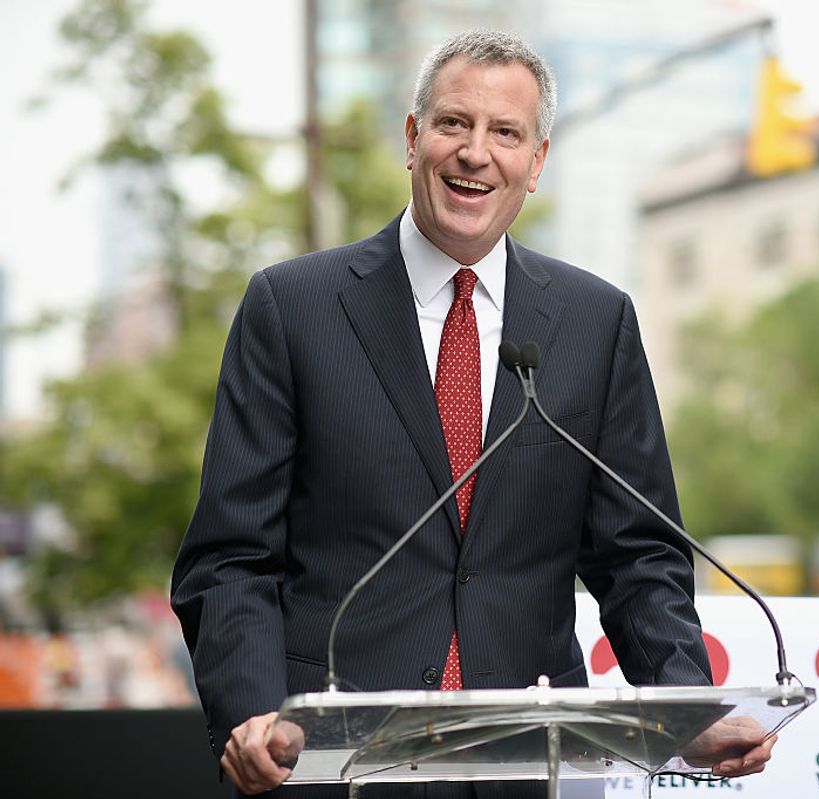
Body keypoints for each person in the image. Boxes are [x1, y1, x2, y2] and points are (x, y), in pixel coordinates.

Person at [171, 30, 773, 798]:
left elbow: (639, 558)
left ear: (537, 162)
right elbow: (229, 558)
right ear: (414, 137)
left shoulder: (597, 321)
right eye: (455, 123)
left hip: (533, 760)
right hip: (330, 763)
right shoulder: (292, 308)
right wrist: (253, 716)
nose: (475, 152)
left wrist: (691, 704)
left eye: (506, 133)